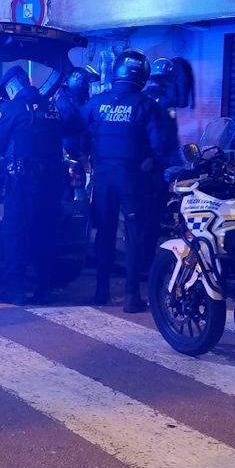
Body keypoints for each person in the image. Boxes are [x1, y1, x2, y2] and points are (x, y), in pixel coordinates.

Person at [0, 66, 78, 305]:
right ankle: (44, 290)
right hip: (52, 183)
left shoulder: (12, 109)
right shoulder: (52, 108)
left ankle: (15, 291)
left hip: (22, 182)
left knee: (16, 234)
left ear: (12, 87)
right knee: (45, 234)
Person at [84, 49, 166, 313]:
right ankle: (131, 296)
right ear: (142, 75)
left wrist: (86, 157)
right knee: (134, 234)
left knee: (104, 232)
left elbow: (76, 131)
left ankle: (100, 292)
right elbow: (160, 145)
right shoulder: (146, 105)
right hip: (133, 178)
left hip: (104, 176)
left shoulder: (97, 103)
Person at [56, 65, 98, 162]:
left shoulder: (81, 101)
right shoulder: (64, 101)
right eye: (85, 83)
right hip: (73, 154)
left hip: (84, 151)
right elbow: (69, 128)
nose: (88, 87)